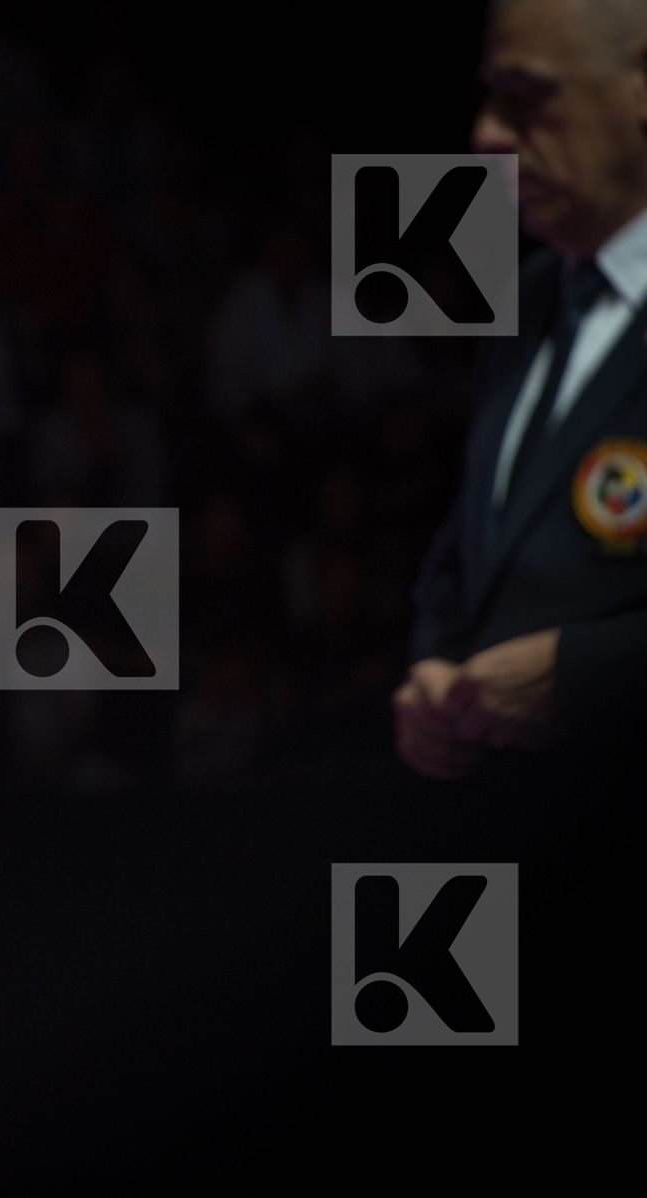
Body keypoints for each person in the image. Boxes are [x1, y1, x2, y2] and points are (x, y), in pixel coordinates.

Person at [388, 0, 644, 1162]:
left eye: (528, 100)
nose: (488, 135)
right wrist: (432, 663)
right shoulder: (534, 297)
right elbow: (466, 548)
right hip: (500, 901)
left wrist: (584, 673)